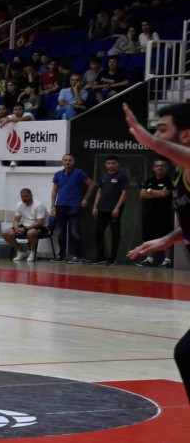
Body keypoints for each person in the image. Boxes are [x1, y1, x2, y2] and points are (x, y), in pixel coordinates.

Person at [123, 102, 190, 407]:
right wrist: (168, 238)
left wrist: (149, 141)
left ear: (185, 135)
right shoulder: (179, 174)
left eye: (162, 130)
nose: (156, 135)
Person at [50, 154, 95, 263]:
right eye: (65, 160)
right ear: (62, 162)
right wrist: (52, 205)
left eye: (70, 160)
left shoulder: (78, 173)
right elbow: (54, 190)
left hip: (74, 206)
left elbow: (92, 184)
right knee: (60, 233)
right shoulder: (57, 175)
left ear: (73, 162)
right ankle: (61, 256)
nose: (67, 162)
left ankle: (78, 256)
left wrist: (85, 199)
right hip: (60, 206)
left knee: (74, 232)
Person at [135, 158, 174, 267]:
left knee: (165, 236)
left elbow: (164, 194)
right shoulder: (149, 180)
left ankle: (167, 260)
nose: (159, 168)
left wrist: (150, 191)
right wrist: (157, 193)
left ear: (166, 168)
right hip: (149, 213)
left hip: (164, 214)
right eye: (157, 166)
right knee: (149, 236)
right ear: (154, 168)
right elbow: (142, 194)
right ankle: (150, 259)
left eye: (162, 166)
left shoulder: (169, 180)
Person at [91, 155, 130, 265]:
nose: (111, 165)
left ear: (118, 164)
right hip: (101, 209)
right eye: (108, 163)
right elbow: (99, 191)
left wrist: (117, 208)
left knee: (115, 234)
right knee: (98, 232)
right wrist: (95, 206)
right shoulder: (103, 176)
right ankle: (101, 256)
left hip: (114, 210)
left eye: (113, 163)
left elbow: (125, 193)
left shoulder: (122, 176)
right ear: (105, 164)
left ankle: (113, 257)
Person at [2, 188, 49, 262]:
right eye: (22, 196)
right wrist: (16, 228)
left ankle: (32, 252)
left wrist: (25, 229)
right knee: (5, 233)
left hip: (40, 226)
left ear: (31, 195)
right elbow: (16, 220)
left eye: (26, 196)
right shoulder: (20, 205)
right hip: (25, 225)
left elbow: (40, 222)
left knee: (31, 232)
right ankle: (21, 251)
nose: (24, 198)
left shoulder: (39, 205)